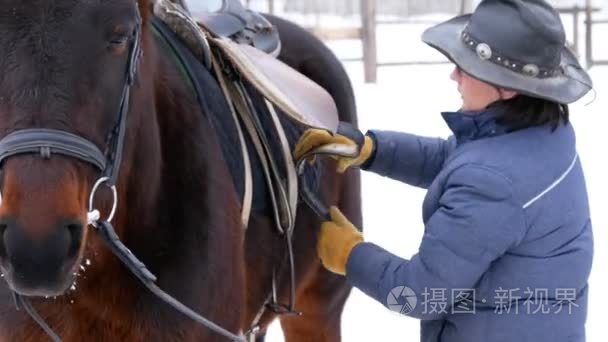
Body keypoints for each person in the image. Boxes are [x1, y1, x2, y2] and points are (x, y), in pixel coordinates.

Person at [294, 0, 594, 341]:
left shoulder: (493, 183)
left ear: (508, 87)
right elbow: (457, 158)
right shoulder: (542, 134)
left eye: (466, 66)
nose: (454, 74)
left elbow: (419, 294)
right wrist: (372, 150)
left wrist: (350, 255)